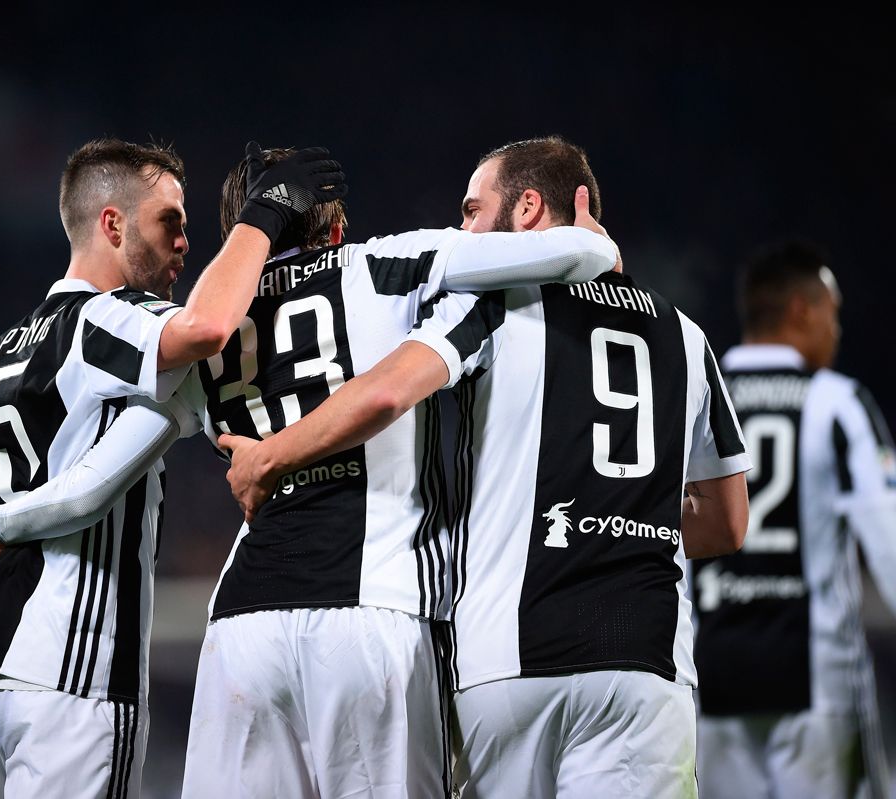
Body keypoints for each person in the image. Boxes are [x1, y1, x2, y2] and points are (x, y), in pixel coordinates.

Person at [0, 144, 622, 798]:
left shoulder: (208, 342)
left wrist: (4, 517)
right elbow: (581, 256)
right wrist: (591, 238)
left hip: (244, 631)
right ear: (336, 227)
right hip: (376, 610)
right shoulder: (391, 263)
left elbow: (90, 486)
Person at [0, 138, 347, 798]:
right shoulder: (115, 320)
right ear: (112, 224)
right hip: (72, 668)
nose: (185, 244)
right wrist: (266, 216)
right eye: (171, 222)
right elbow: (207, 329)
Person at [220, 136, 753, 798]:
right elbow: (728, 521)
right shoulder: (687, 335)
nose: (463, 228)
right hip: (643, 658)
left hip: (504, 661)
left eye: (473, 209)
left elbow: (387, 389)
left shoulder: (494, 305)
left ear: (529, 208)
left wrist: (272, 452)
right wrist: (616, 516)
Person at [689, 241, 896, 799]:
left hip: (712, 670)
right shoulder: (837, 402)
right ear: (802, 311)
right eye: (834, 312)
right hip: (815, 675)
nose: (838, 330)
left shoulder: (696, 398)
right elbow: (887, 535)